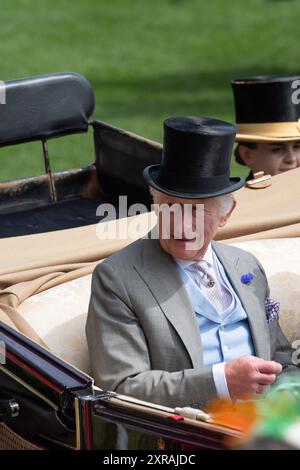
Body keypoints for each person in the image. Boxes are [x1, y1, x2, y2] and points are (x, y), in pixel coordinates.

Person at [86, 116, 297, 409]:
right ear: (155, 203)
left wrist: (287, 400)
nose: (183, 227)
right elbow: (121, 387)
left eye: (198, 211)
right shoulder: (117, 279)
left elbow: (282, 359)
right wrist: (220, 382)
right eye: (171, 207)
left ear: (226, 214)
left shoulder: (246, 266)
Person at [231, 76, 300, 180]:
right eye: (277, 149)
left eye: (297, 147)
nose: (291, 159)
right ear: (247, 155)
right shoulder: (243, 197)